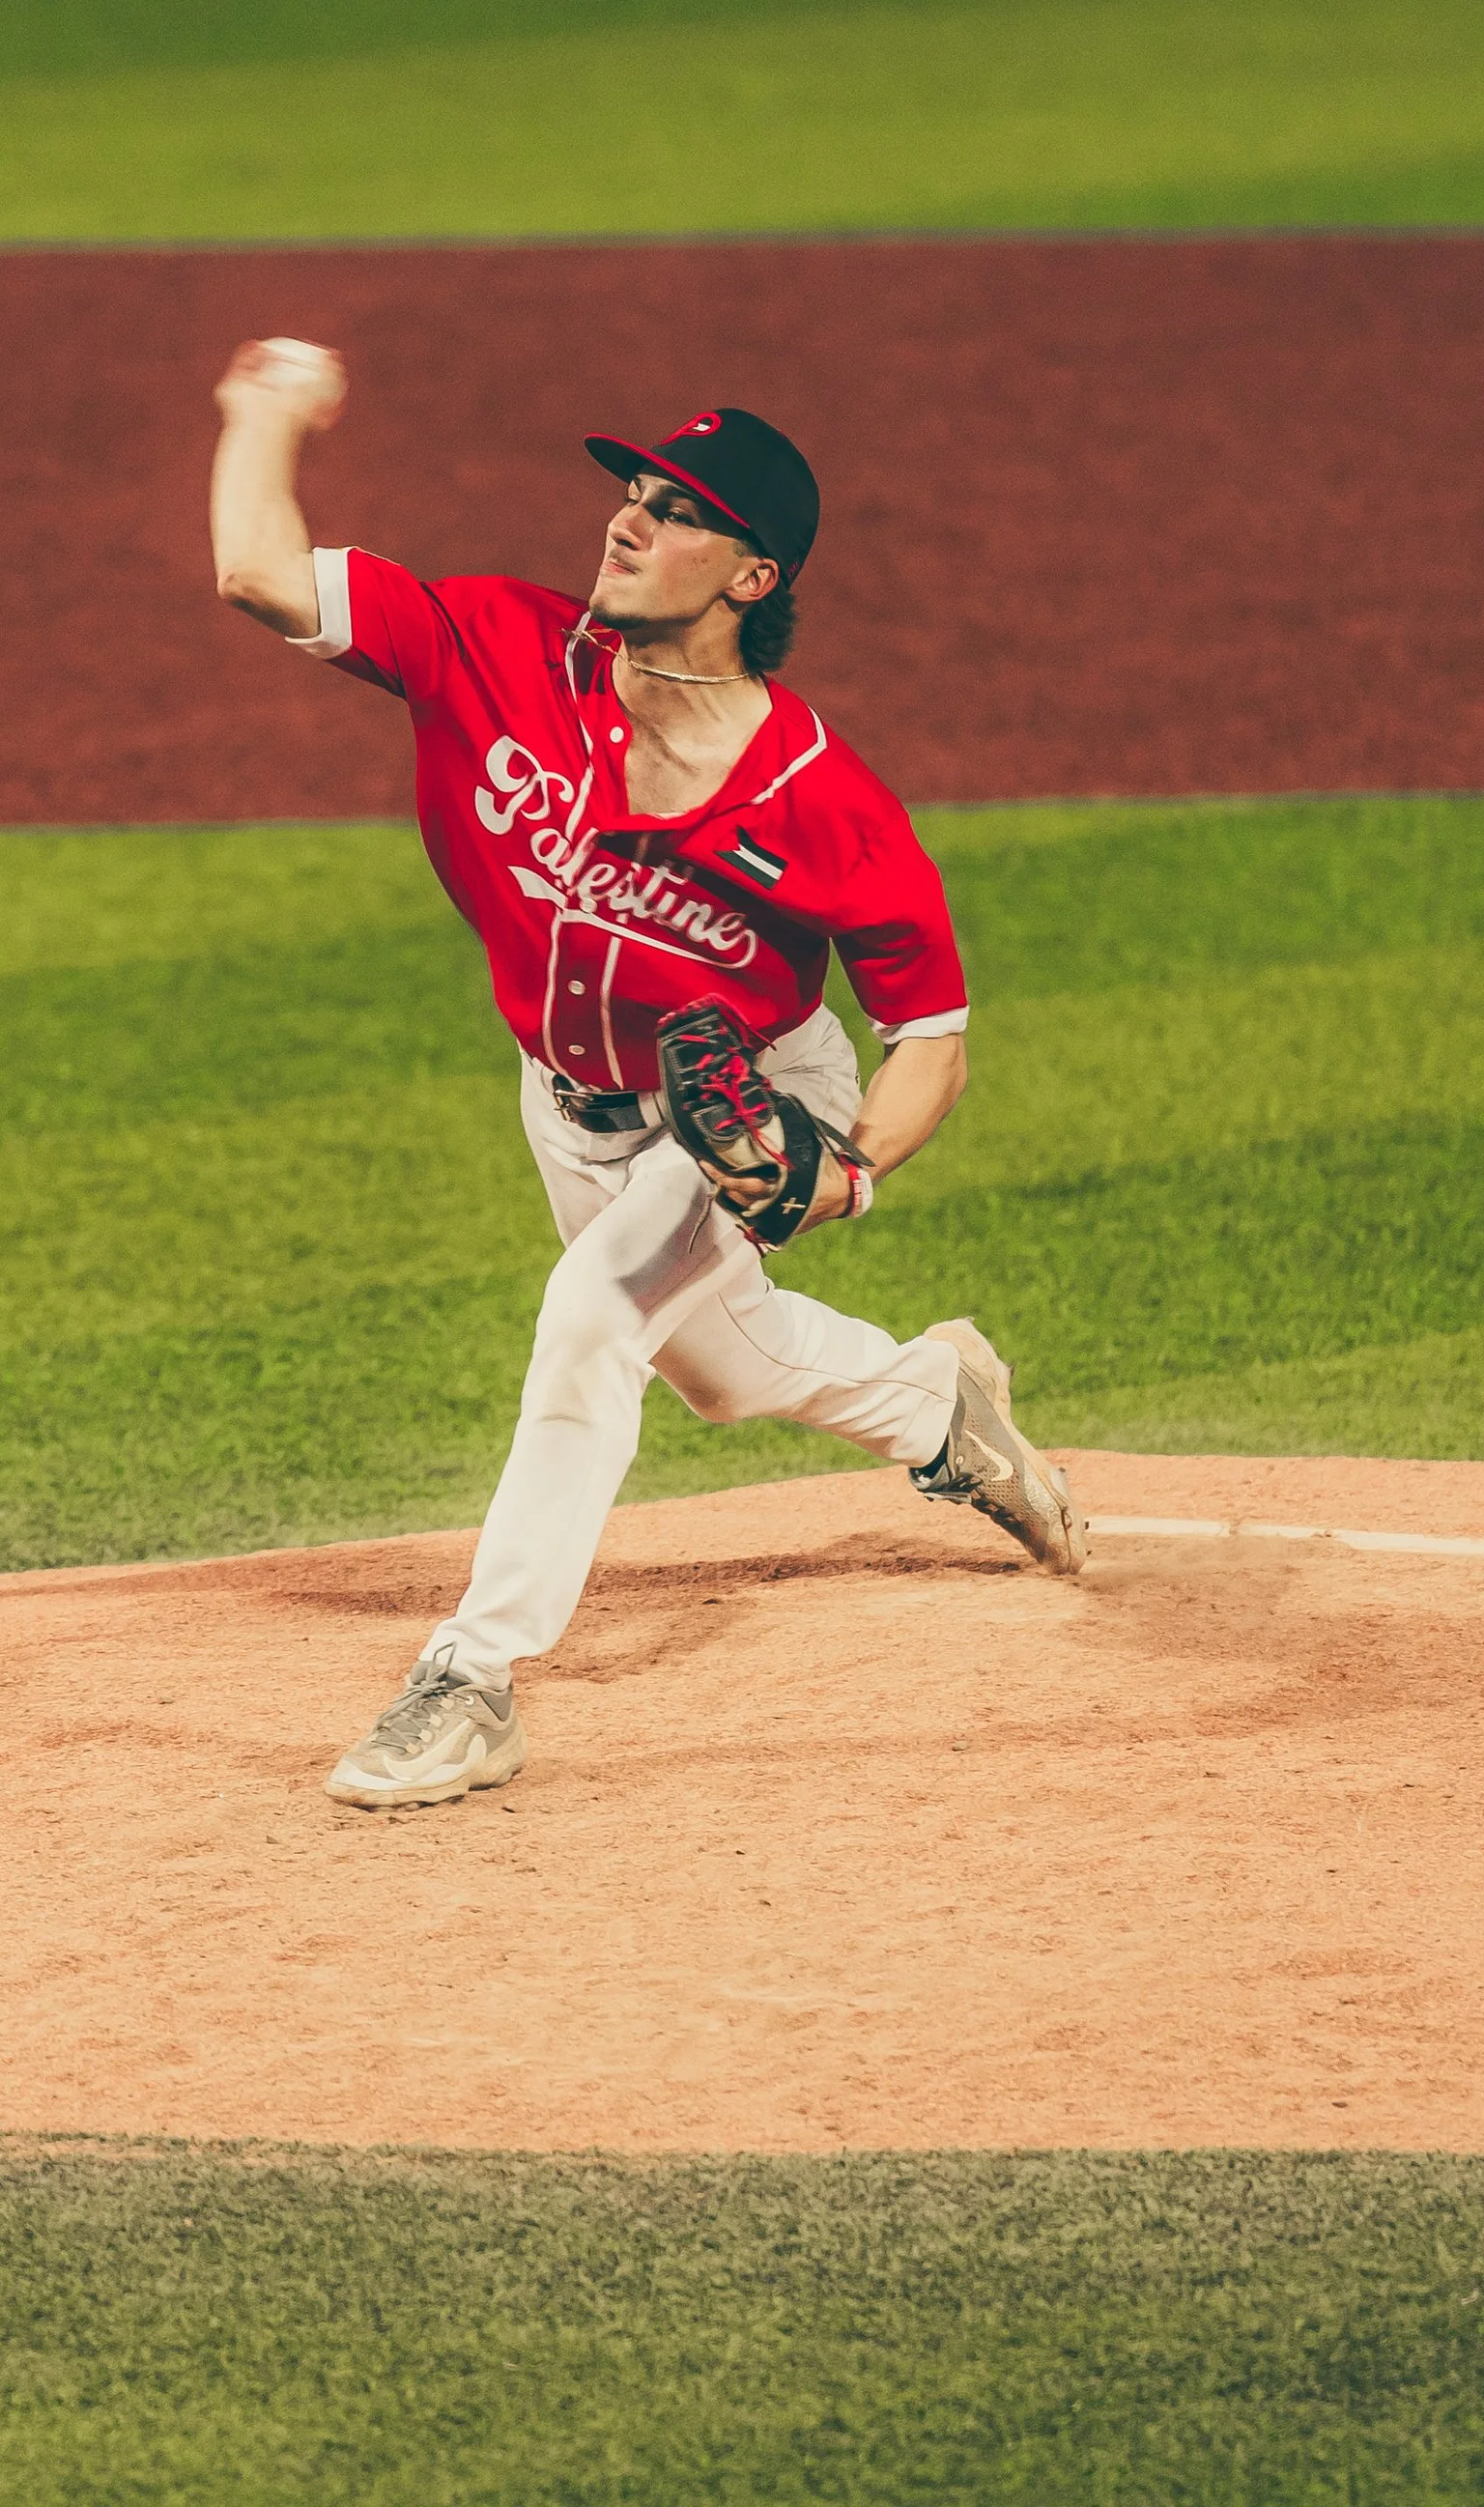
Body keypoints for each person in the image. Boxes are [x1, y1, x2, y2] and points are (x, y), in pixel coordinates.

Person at [210, 337, 1087, 1809]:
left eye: (676, 508)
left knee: (590, 1317)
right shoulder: (495, 646)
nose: (629, 516)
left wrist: (850, 1166)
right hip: (564, 1105)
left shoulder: (821, 798)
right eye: (632, 489)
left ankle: (473, 1681)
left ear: (753, 577)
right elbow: (259, 572)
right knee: (722, 1374)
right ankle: (938, 1403)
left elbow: (929, 1030)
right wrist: (261, 409)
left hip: (753, 1095)